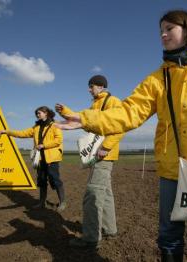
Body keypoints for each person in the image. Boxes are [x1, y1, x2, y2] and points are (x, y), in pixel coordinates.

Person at [56, 10, 187, 262]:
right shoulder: (157, 79)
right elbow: (129, 112)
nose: (163, 34)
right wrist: (85, 119)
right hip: (171, 171)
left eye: (169, 28)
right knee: (169, 238)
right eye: (161, 30)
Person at [56, 75, 125, 250]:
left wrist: (106, 147)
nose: (89, 89)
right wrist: (65, 113)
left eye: (91, 86)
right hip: (97, 154)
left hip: (103, 155)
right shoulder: (95, 105)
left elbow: (120, 126)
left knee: (92, 194)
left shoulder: (113, 102)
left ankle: (91, 238)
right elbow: (85, 122)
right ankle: (110, 229)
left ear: (101, 87)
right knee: (106, 194)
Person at [0, 106, 67, 211]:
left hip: (52, 158)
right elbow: (22, 133)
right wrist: (6, 132)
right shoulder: (36, 127)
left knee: (55, 180)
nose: (37, 115)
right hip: (39, 159)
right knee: (41, 180)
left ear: (46, 113)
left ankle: (62, 203)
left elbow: (58, 140)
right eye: (37, 113)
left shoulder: (55, 126)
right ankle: (42, 202)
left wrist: (44, 145)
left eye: (39, 113)